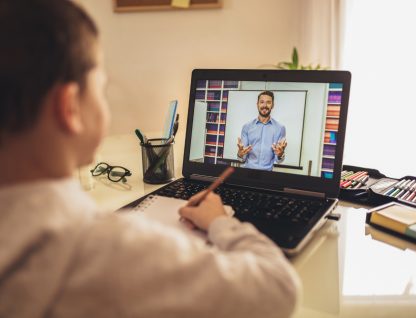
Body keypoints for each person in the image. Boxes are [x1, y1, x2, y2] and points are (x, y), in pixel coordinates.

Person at [0, 1, 300, 317]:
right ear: (70, 107)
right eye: (101, 89)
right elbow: (278, 288)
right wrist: (221, 223)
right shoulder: (110, 251)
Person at [237, 91, 288, 171]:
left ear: (273, 105)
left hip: (267, 175)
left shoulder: (280, 128)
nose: (264, 105)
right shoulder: (247, 127)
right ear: (257, 104)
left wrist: (280, 154)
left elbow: (279, 160)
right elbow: (242, 159)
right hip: (247, 172)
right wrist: (240, 154)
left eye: (268, 102)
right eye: (262, 102)